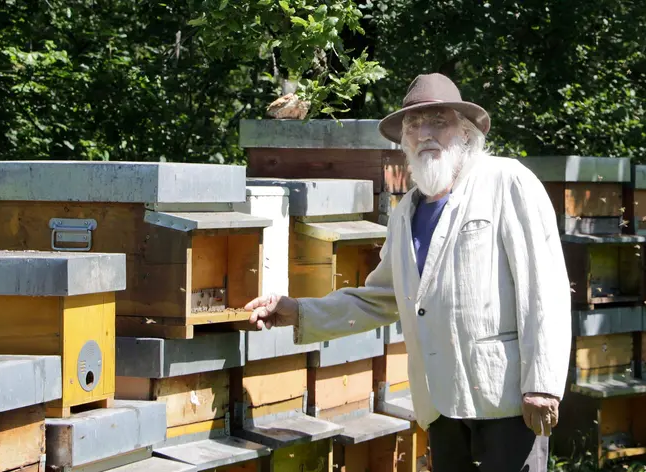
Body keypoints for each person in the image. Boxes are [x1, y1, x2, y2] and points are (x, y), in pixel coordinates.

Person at [245, 73, 572, 471]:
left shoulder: (507, 181)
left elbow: (545, 288)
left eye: (439, 121)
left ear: (466, 133)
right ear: (404, 142)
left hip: (505, 397)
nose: (425, 133)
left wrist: (543, 383)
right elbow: (381, 297)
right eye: (414, 125)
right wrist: (298, 311)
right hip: (439, 403)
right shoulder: (405, 213)